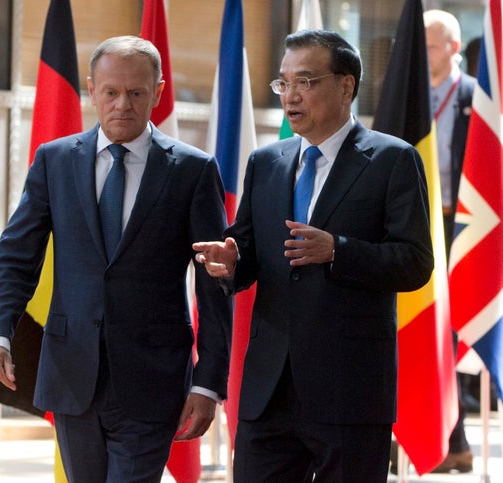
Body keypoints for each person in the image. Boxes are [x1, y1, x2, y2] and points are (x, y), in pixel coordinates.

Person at [0, 35, 232, 482]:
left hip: (153, 379)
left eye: (136, 93)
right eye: (111, 92)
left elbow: (214, 282)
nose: (122, 105)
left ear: (157, 92)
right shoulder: (54, 161)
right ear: (92, 89)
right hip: (72, 375)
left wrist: (207, 382)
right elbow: (17, 257)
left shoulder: (193, 170)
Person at [193, 29, 434, 482]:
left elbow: (415, 262)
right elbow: (247, 251)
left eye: (305, 81)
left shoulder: (391, 160)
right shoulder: (266, 163)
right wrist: (229, 263)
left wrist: (338, 251)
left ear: (346, 86)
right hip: (269, 389)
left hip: (348, 390)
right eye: (283, 84)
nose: (291, 95)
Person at [424, 9, 477, 474]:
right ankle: (443, 439)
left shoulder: (474, 96)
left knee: (456, 331)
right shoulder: (412, 95)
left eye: (432, 44)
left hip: (461, 229)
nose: (423, 53)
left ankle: (454, 439)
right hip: (420, 225)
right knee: (425, 329)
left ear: (454, 48)